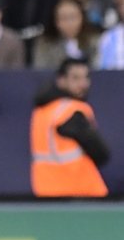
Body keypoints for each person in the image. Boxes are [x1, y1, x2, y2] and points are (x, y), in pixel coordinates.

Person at [31, 58, 109, 197]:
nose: (83, 84)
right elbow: (102, 154)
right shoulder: (71, 112)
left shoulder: (41, 111)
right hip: (81, 191)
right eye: (75, 78)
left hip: (45, 191)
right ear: (61, 80)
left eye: (86, 78)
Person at [31, 0, 100, 70]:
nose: (69, 23)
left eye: (73, 17)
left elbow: (97, 70)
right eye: (63, 18)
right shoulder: (44, 44)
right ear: (55, 21)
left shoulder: (94, 41)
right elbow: (40, 72)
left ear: (82, 18)